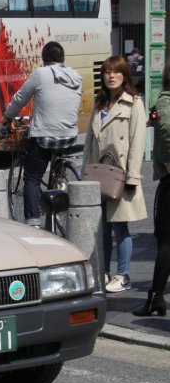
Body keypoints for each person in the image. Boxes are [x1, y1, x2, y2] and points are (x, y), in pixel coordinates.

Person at [82, 55, 147, 293]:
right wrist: (84, 174)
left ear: (124, 75)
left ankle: (123, 273)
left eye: (116, 72)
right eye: (107, 72)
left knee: (120, 227)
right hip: (98, 174)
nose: (111, 76)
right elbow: (89, 140)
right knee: (102, 228)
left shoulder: (134, 103)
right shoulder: (100, 104)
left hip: (119, 176)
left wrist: (132, 177)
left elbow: (137, 143)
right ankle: (103, 271)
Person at [2, 41, 82, 227]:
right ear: (63, 59)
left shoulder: (40, 74)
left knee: (32, 178)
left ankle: (33, 223)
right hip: (70, 137)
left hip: (45, 137)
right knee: (54, 164)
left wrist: (7, 117)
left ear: (44, 59)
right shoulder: (76, 76)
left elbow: (20, 98)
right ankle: (59, 181)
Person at [134, 59, 170, 315]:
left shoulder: (166, 100)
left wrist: (168, 163)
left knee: (166, 239)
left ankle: (156, 297)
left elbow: (167, 131)